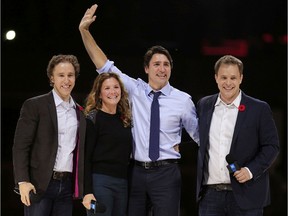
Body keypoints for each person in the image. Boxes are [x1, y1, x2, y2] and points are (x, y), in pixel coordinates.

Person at [79, 4, 199, 216]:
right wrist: (84, 32)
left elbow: (199, 137)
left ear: (171, 68)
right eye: (156, 64)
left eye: (166, 64)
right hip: (135, 174)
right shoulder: (135, 89)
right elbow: (103, 65)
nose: (161, 69)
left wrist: (182, 146)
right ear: (146, 69)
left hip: (167, 173)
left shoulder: (183, 100)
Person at [196, 55, 280, 216]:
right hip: (210, 196)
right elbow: (193, 133)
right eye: (224, 77)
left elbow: (271, 146)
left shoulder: (258, 109)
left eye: (233, 77)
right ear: (216, 78)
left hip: (246, 195)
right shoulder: (204, 105)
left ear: (241, 78)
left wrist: (250, 170)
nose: (228, 83)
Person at [12, 54, 86, 216]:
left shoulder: (80, 112)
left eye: (70, 75)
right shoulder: (35, 105)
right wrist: (22, 181)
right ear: (52, 78)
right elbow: (20, 147)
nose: (66, 80)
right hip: (39, 185)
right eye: (61, 75)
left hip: (66, 187)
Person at [81, 72, 133, 216]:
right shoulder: (93, 119)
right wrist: (87, 192)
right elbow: (85, 157)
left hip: (122, 183)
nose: (112, 92)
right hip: (99, 182)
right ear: (99, 93)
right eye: (107, 88)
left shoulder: (125, 120)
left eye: (116, 87)